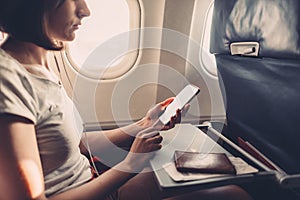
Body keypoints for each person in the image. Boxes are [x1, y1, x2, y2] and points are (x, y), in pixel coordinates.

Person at [0, 0, 254, 199]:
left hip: (94, 183)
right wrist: (130, 164)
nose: (85, 10)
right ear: (34, 5)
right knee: (232, 196)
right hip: (95, 190)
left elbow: (78, 144)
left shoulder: (41, 65)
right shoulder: (8, 82)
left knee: (219, 184)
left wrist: (143, 125)